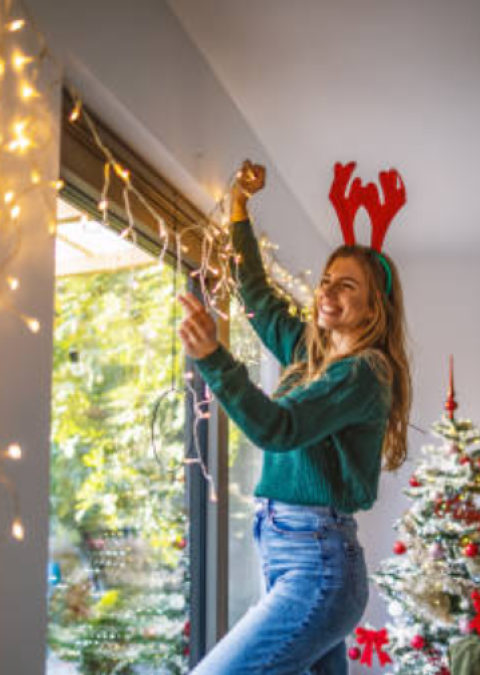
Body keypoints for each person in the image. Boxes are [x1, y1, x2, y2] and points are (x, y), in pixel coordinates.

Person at [177, 159, 412, 674]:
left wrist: (215, 358)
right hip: (291, 553)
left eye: (347, 286)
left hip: (317, 564)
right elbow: (258, 298)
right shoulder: (310, 354)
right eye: (327, 280)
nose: (327, 291)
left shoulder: (365, 371)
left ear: (374, 308)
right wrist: (239, 208)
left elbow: (277, 428)